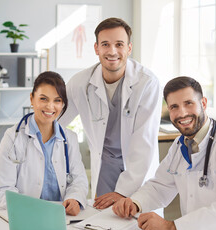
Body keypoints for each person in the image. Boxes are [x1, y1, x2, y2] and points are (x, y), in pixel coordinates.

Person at [112, 77, 216, 230]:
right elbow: (160, 186)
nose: (182, 113)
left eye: (188, 103)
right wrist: (135, 202)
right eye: (174, 107)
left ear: (203, 103)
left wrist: (172, 227)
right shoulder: (179, 145)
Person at [59, 17, 161, 209]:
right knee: (102, 227)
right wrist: (16, 144)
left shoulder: (146, 83)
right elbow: (53, 119)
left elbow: (144, 143)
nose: (112, 51)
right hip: (104, 169)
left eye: (119, 44)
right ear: (96, 48)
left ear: (129, 48)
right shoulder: (81, 82)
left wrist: (123, 191)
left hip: (138, 172)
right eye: (105, 44)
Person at [0, 71, 88, 216]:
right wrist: (32, 209)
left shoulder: (70, 138)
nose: (50, 107)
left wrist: (74, 198)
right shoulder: (13, 137)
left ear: (63, 104)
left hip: (61, 217)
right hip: (26, 215)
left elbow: (79, 180)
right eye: (43, 99)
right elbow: (3, 189)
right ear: (32, 99)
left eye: (57, 100)